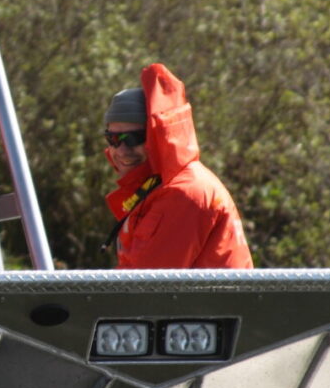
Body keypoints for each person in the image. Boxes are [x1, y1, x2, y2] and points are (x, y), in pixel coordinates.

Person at [101, 62, 252, 269]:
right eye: (113, 139)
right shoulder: (156, 188)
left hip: (204, 303)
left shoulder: (184, 193)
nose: (121, 150)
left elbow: (146, 289)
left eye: (134, 138)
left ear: (158, 137)